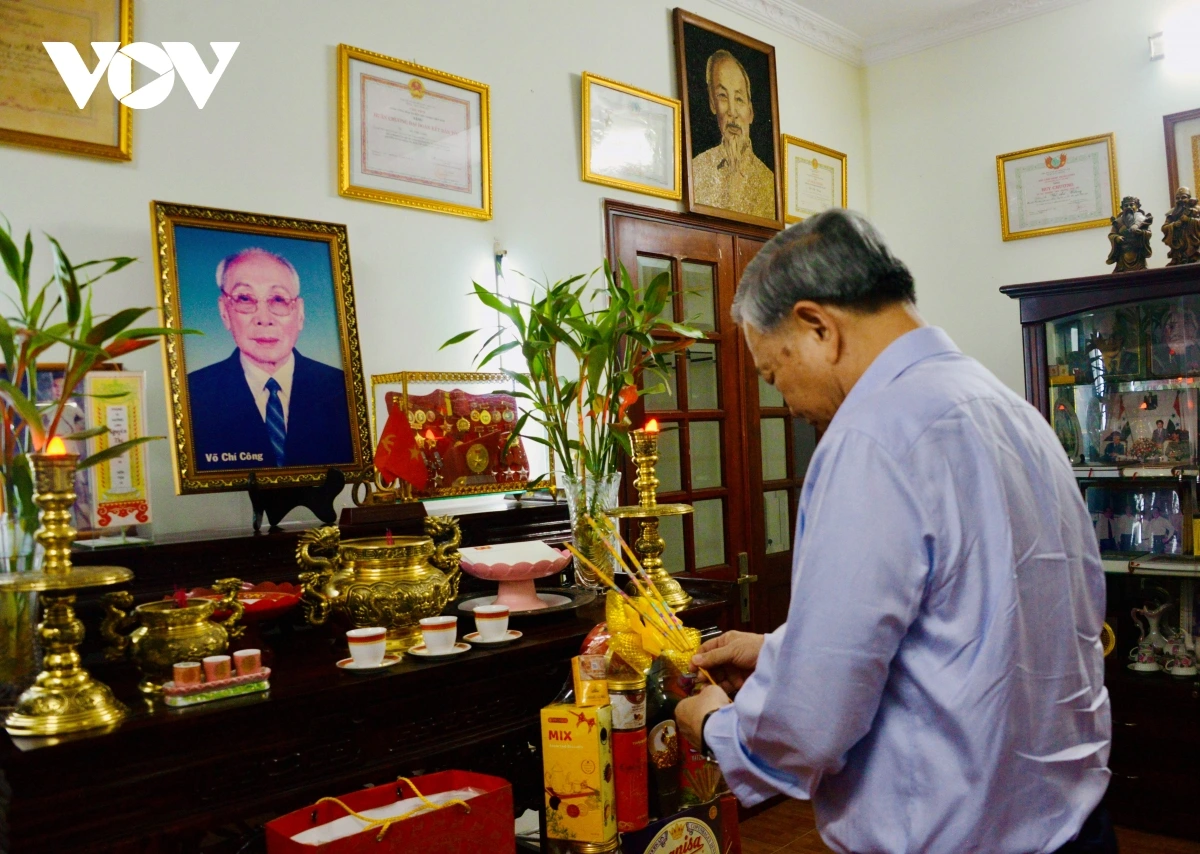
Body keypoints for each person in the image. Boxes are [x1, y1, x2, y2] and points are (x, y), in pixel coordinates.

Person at [674, 209, 1112, 853]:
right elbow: (980, 619)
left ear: (818, 327)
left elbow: (812, 725)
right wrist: (778, 649)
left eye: (773, 373)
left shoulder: (873, 435)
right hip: (1072, 823)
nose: (786, 402)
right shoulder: (1010, 409)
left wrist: (717, 727)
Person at [187, 247, 354, 471]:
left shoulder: (343, 389)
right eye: (245, 298)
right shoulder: (192, 394)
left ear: (300, 313)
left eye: (278, 299)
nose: (264, 319)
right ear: (224, 312)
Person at [690, 49, 775, 220]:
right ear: (712, 104)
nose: (732, 112)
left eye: (739, 99)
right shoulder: (696, 170)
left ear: (750, 112)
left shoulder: (769, 183)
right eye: (722, 96)